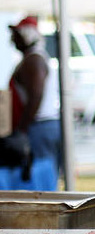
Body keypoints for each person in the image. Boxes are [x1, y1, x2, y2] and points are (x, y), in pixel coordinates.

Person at [0, 16, 61, 190]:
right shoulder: (33, 58)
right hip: (41, 126)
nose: (12, 41)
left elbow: (36, 95)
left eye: (16, 35)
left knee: (40, 177)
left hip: (40, 126)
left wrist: (22, 129)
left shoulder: (34, 60)